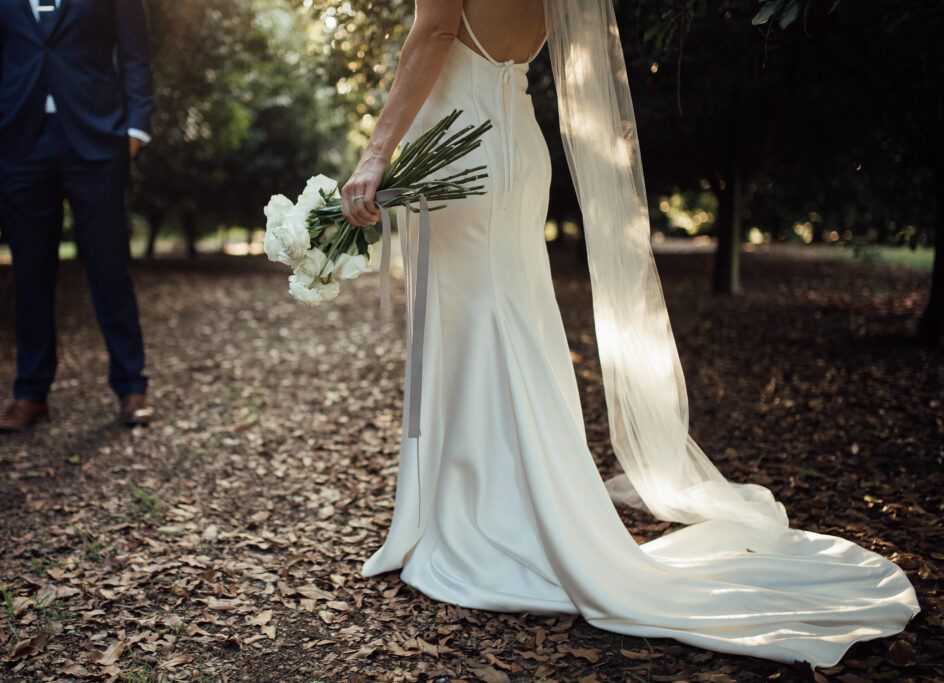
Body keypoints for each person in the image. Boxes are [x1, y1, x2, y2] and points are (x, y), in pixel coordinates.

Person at [341, 0, 919, 667]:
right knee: (509, 328)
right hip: (516, 149)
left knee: (478, 333)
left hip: (462, 151)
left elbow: (437, 30)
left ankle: (484, 520)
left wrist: (375, 153)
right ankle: (504, 508)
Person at [0, 0, 155, 432]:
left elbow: (136, 54)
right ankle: (31, 393)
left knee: (109, 268)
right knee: (30, 273)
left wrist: (135, 129)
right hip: (18, 142)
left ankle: (131, 388)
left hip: (98, 139)